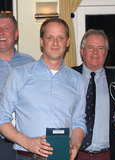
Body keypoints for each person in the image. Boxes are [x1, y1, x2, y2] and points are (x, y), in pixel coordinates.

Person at [0, 17, 87, 160]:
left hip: (62, 157)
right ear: (42, 41)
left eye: (60, 38)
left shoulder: (78, 80)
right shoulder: (18, 75)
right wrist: (28, 143)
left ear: (67, 42)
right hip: (26, 156)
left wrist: (75, 146)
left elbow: (78, 122)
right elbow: (2, 119)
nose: (55, 43)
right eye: (50, 37)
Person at [72, 29, 115, 160]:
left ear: (106, 53)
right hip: (75, 154)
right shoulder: (68, 77)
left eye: (100, 48)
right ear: (82, 51)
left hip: (109, 155)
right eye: (90, 47)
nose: (95, 52)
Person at [0, 13, 35, 160]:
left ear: (16, 34)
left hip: (28, 141)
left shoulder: (31, 64)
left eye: (6, 28)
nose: (1, 33)